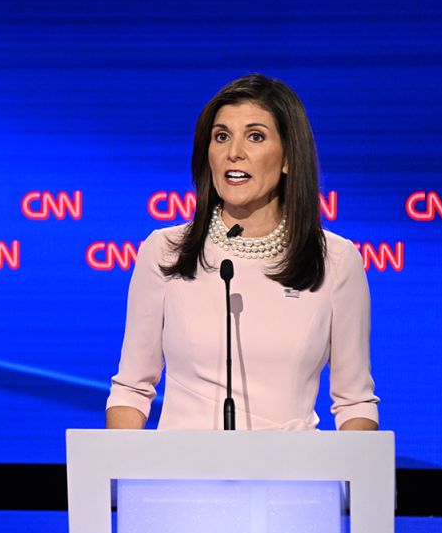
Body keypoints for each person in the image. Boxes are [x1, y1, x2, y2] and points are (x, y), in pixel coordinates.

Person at [106, 74, 378, 431]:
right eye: (221, 137)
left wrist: (353, 479)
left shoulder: (335, 260)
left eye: (256, 136)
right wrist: (120, 476)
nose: (234, 152)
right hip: (179, 478)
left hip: (293, 479)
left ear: (288, 159)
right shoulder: (166, 251)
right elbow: (131, 390)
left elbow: (354, 402)